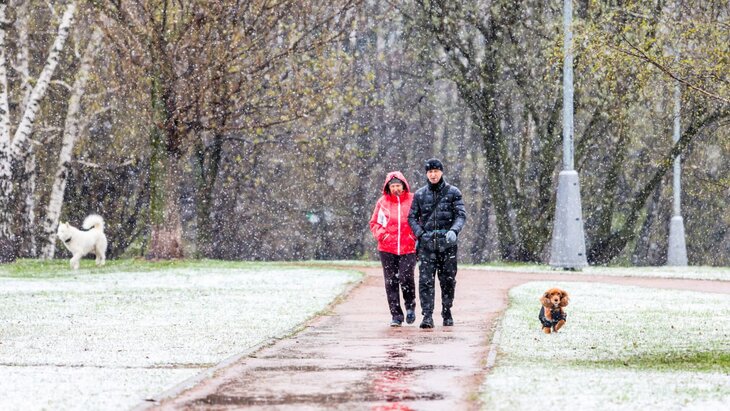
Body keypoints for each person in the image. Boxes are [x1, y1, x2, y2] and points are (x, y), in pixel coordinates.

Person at [408, 158, 466, 328]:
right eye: (430, 172)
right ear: (427, 174)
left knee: (448, 280)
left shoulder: (453, 192)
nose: (433, 175)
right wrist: (420, 234)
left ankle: (447, 310)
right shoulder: (420, 194)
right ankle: (427, 316)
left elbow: (461, 215)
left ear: (441, 172)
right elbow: (411, 217)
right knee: (425, 281)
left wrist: (454, 230)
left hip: (447, 245)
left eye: (436, 171)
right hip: (427, 245)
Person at [369, 171, 418, 327]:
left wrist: (414, 236)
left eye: (398, 185)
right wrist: (383, 236)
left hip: (408, 247)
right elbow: (375, 223)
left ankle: (410, 307)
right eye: (393, 186)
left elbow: (420, 220)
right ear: (388, 187)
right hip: (387, 248)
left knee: (406, 277)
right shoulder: (382, 202)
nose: (396, 189)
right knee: (391, 282)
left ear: (404, 186)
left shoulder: (413, 200)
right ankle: (396, 315)